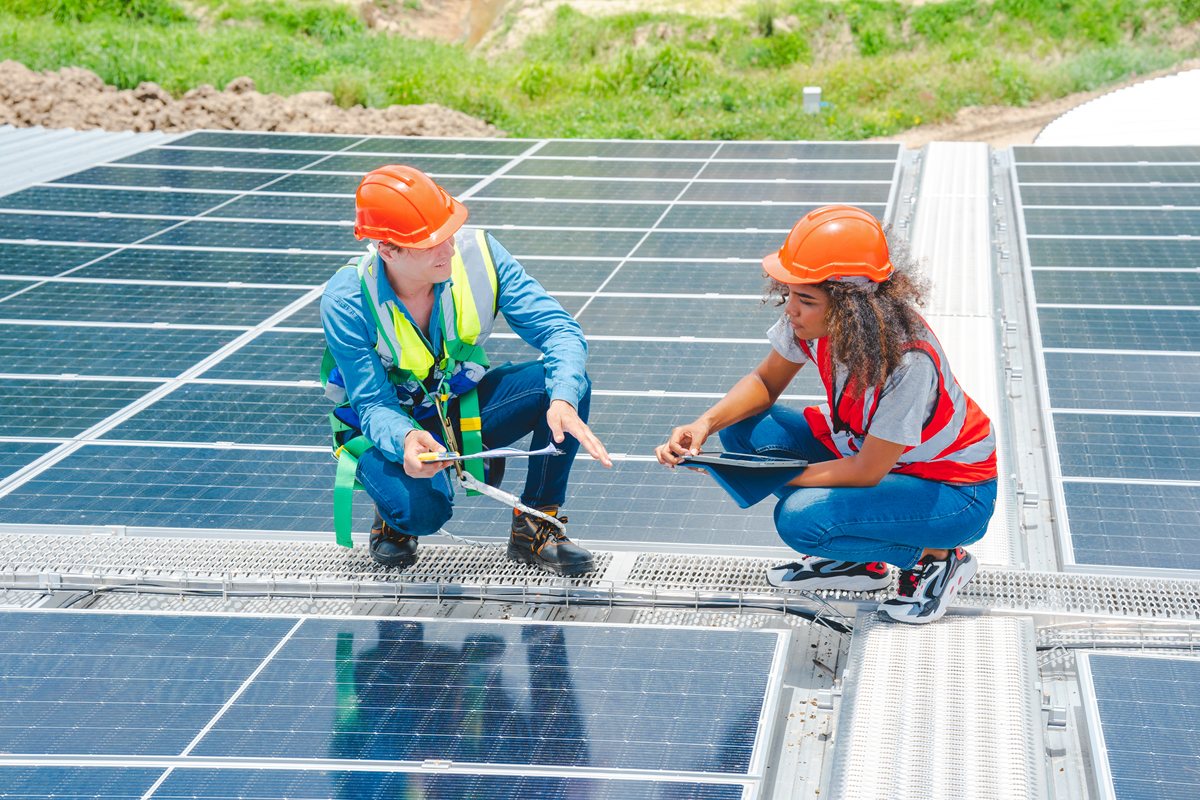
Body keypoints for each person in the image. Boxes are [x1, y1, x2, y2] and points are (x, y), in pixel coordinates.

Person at [654, 205, 997, 624]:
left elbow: (867, 472)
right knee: (745, 430)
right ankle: (859, 560)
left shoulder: (907, 362)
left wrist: (762, 474)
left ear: (850, 308)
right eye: (790, 294)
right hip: (884, 464)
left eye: (806, 299)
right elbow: (764, 384)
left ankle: (937, 559)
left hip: (954, 493)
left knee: (802, 519)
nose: (791, 309)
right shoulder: (813, 323)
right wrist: (704, 424)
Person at [321, 165, 611, 575]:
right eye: (431, 242)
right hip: (390, 429)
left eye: (450, 232)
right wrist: (404, 439)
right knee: (423, 511)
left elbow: (560, 330)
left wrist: (563, 398)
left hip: (455, 408)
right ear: (388, 249)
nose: (449, 249)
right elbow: (371, 404)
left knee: (566, 387)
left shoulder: (481, 257)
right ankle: (394, 514)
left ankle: (535, 523)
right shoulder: (347, 300)